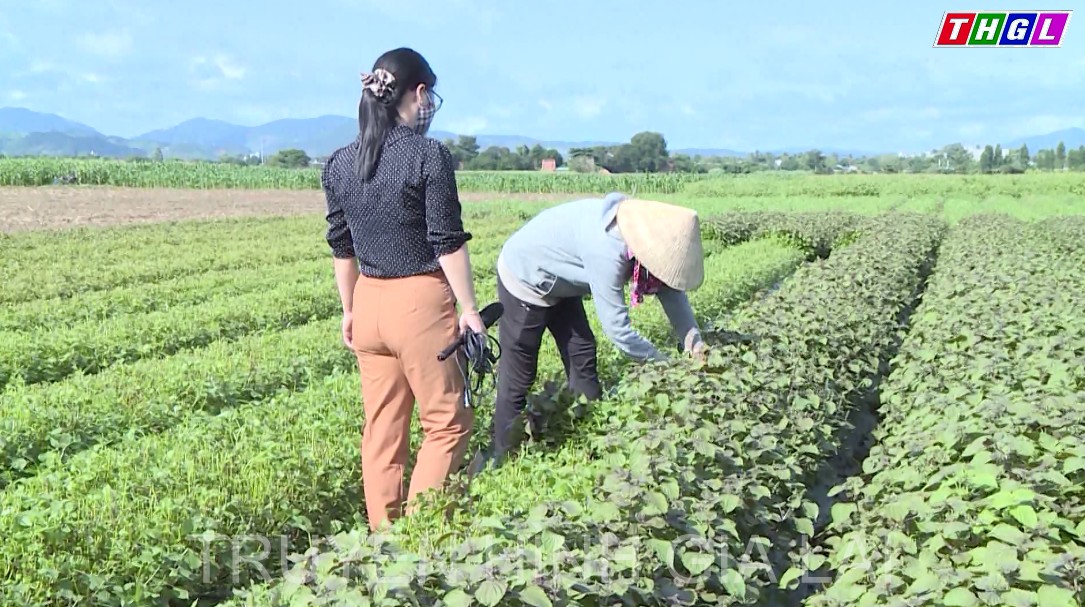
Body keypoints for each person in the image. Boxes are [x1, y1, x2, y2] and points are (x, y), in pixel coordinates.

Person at [321, 47, 483, 530]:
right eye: (429, 96)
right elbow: (447, 241)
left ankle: (383, 539)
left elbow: (341, 246)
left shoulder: (339, 163)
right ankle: (418, 539)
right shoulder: (428, 155)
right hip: (418, 304)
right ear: (418, 93)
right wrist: (470, 309)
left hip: (368, 301)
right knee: (447, 423)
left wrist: (349, 310)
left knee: (383, 430)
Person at [488, 192, 707, 460]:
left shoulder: (640, 239)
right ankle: (503, 454)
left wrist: (695, 345)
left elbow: (670, 290)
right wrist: (665, 365)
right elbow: (619, 332)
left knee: (581, 350)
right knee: (519, 373)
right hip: (525, 276)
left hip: (561, 277)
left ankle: (587, 431)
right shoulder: (607, 252)